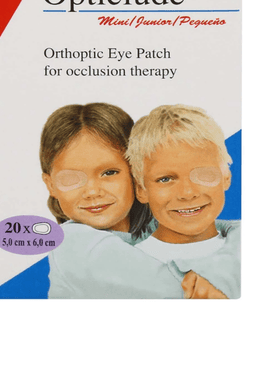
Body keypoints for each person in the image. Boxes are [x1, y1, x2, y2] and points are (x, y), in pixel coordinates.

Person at [40, 103, 227, 298]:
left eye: (109, 173)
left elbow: (221, 228)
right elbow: (188, 292)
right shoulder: (72, 243)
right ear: (50, 185)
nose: (93, 192)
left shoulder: (150, 231)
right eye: (72, 178)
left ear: (137, 174)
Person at [127, 104, 241, 299]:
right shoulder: (127, 266)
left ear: (226, 177)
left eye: (202, 174)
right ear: (141, 190)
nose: (187, 193)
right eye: (165, 179)